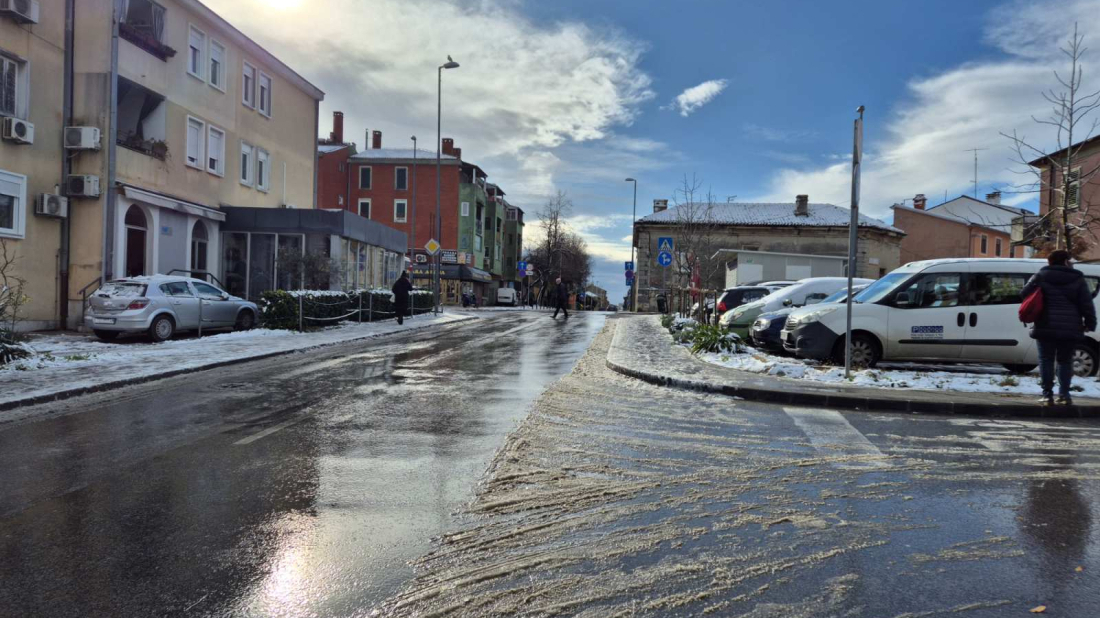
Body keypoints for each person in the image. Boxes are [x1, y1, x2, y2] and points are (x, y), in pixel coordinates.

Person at [1021, 250, 1097, 405]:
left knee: (1046, 360)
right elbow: (1087, 304)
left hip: (1045, 325)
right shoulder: (1078, 279)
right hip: (1070, 328)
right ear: (1065, 261)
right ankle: (1064, 395)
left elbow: (1023, 293)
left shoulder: (1040, 276)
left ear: (1050, 261)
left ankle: (1047, 395)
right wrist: (1090, 324)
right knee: (1065, 361)